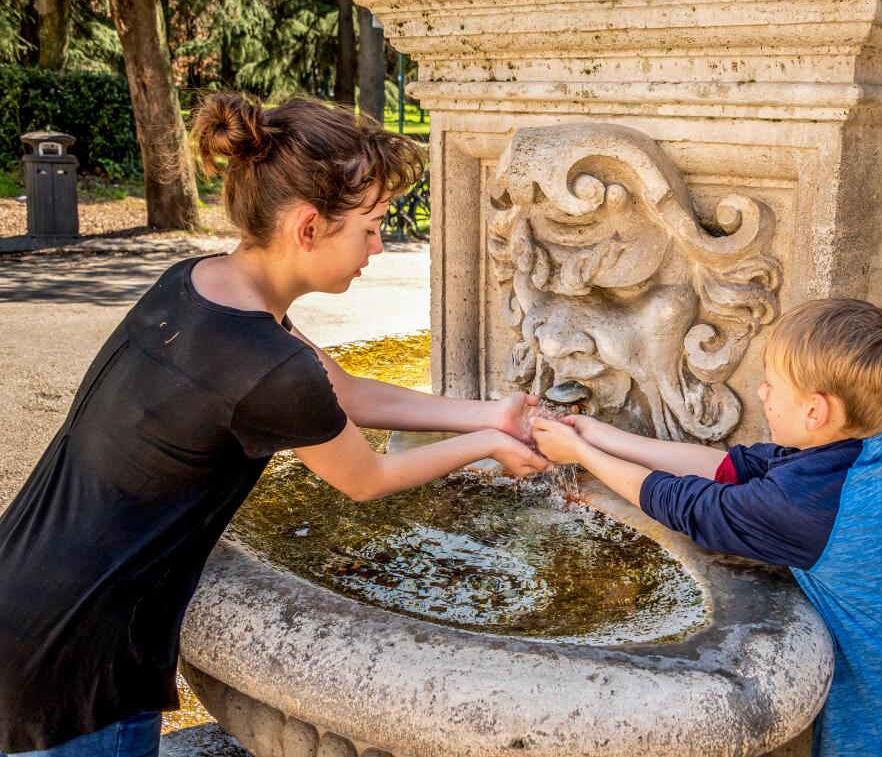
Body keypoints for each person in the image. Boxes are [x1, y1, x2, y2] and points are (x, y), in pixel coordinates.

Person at [0, 94, 550, 757]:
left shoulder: (199, 282)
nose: (378, 244)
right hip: (77, 669)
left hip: (20, 593)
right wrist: (488, 446)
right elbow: (369, 476)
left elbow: (339, 391)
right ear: (309, 227)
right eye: (371, 225)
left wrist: (493, 413)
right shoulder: (271, 368)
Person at [531, 299, 882, 757]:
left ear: (815, 412)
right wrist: (601, 436)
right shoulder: (871, 453)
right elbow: (731, 468)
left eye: (772, 385)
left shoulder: (810, 508)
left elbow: (691, 506)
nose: (761, 393)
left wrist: (584, 457)